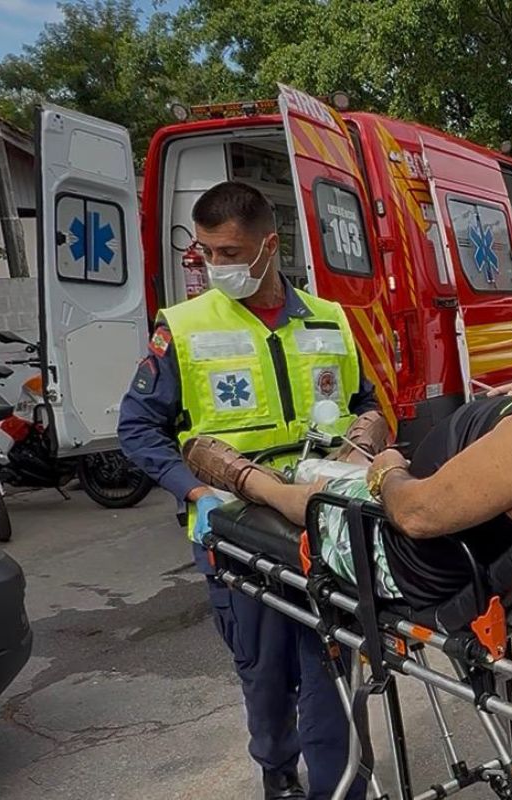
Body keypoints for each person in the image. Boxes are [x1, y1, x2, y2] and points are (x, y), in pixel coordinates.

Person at [179, 256, 512, 606]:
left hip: (411, 550)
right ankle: (347, 457)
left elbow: (416, 514)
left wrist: (389, 470)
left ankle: (252, 479)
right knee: (352, 465)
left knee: (326, 491)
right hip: (473, 490)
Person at [118, 181, 386, 800]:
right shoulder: (183, 327)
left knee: (330, 662)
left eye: (230, 252)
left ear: (270, 246)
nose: (217, 265)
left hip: (319, 516)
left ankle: (335, 787)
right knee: (264, 673)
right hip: (234, 521)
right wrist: (191, 492)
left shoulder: (329, 317)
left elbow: (363, 402)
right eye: (206, 252)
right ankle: (275, 767)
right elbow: (137, 426)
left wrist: (364, 439)